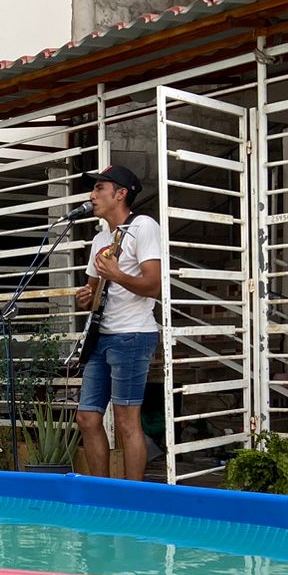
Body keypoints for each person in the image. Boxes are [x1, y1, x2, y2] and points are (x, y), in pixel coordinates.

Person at [74, 163, 162, 482]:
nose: (92, 194)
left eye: (100, 188)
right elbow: (93, 295)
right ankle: (102, 491)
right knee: (87, 417)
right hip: (102, 337)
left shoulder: (144, 227)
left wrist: (118, 275)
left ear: (120, 194)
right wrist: (84, 299)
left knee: (126, 421)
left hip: (132, 336)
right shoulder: (100, 240)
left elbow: (154, 285)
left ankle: (131, 496)